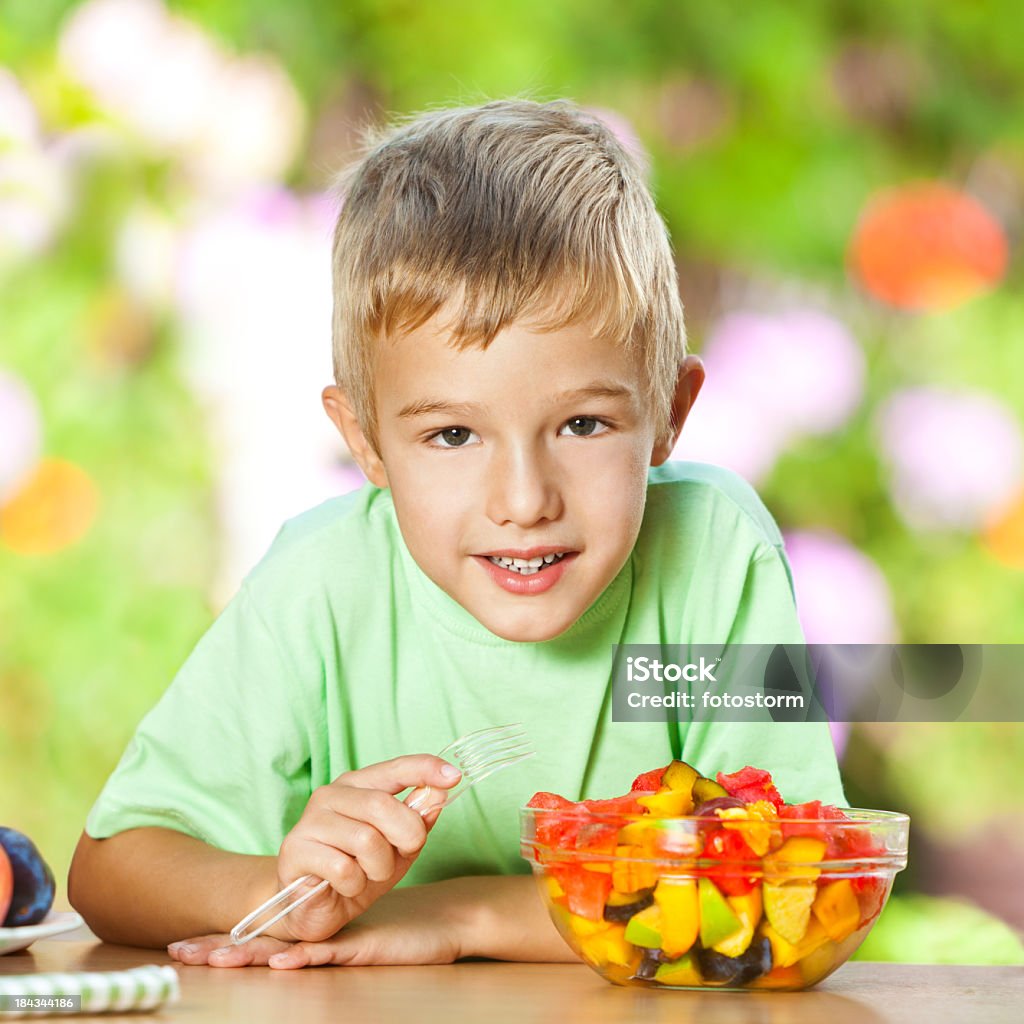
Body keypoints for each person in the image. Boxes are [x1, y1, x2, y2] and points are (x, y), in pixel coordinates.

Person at [68, 98, 845, 969]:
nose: (523, 500)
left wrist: (455, 918)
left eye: (583, 425)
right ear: (363, 439)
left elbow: (788, 888)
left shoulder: (714, 556)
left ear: (669, 412)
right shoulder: (322, 582)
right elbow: (109, 869)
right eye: (452, 435)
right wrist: (280, 892)